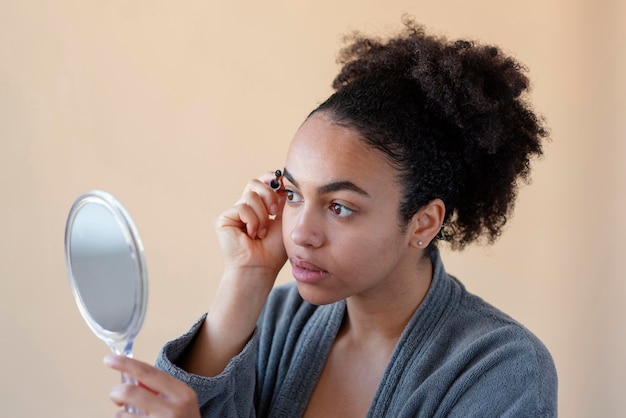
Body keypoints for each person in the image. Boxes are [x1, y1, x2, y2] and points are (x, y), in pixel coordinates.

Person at [105, 17, 558, 417]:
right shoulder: (280, 316)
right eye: (295, 194)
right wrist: (245, 279)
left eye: (340, 207)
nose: (300, 234)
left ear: (422, 223)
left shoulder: (500, 367)